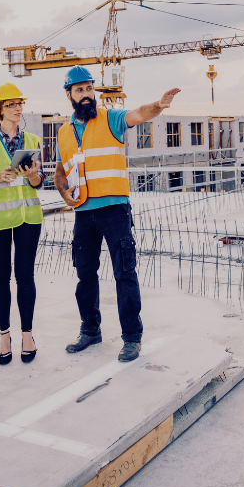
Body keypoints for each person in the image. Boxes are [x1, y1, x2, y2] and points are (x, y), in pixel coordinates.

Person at [54, 67, 180, 362]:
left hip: (114, 211)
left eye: (89, 88)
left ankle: (131, 338)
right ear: (70, 95)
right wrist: (64, 194)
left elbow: (138, 114)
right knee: (85, 275)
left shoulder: (111, 118)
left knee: (124, 273)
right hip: (83, 213)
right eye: (79, 90)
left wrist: (158, 107)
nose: (86, 94)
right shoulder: (64, 132)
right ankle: (90, 329)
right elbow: (62, 170)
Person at [0, 83, 45, 365]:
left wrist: (34, 176)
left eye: (20, 103)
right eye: (11, 104)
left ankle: (27, 335)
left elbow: (40, 183)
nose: (18, 108)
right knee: (0, 278)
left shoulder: (33, 140)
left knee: (25, 277)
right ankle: (4, 336)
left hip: (28, 217)